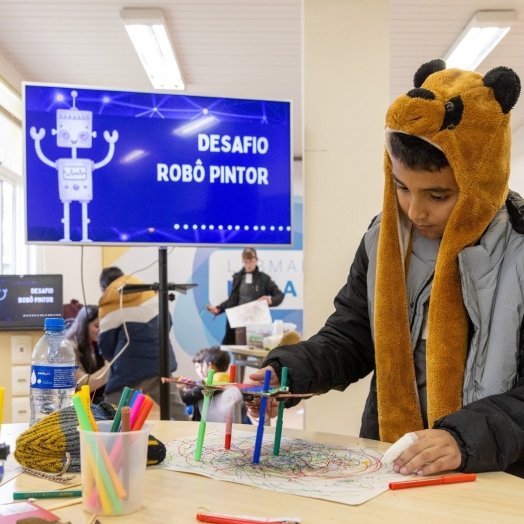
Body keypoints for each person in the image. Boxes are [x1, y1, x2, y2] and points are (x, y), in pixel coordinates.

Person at [248, 59, 524, 478]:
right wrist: (286, 373)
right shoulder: (383, 238)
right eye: (401, 187)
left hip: (495, 477)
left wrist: (462, 438)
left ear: (481, 182)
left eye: (438, 195)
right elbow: (353, 334)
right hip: (393, 464)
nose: (415, 212)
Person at [97, 266, 190, 420]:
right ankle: (191, 440)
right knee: (177, 411)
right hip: (160, 362)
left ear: (103, 288)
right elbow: (168, 322)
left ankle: (114, 442)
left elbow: (106, 347)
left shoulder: (108, 304)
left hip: (128, 370)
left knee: (112, 414)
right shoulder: (150, 293)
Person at [206, 247, 285, 344]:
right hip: (239, 321)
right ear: (243, 261)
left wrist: (270, 300)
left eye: (251, 261)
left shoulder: (264, 279)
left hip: (257, 322)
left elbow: (279, 295)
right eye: (246, 262)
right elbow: (232, 300)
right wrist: (218, 309)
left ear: (256, 260)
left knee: (258, 349)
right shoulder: (237, 278)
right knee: (239, 351)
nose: (249, 265)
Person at [65, 304, 109, 404]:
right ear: (84, 324)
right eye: (97, 326)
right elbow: (83, 385)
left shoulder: (95, 345)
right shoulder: (70, 348)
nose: (101, 330)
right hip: (78, 407)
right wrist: (112, 366)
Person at [180, 346, 231, 421]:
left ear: (210, 366)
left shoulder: (209, 384)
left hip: (207, 428)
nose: (201, 370)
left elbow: (185, 398)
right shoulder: (229, 380)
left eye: (202, 365)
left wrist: (177, 389)